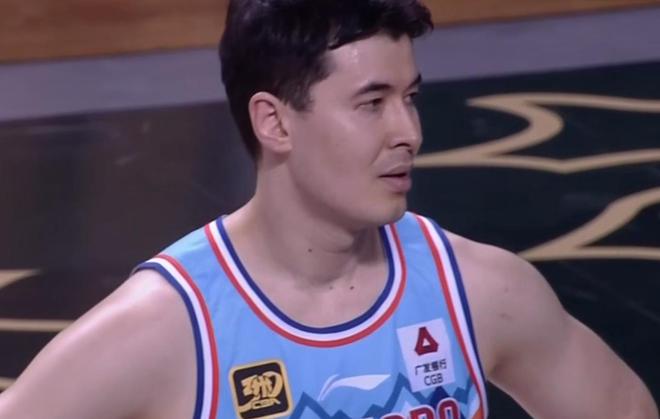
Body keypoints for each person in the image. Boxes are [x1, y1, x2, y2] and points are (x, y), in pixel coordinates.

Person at [0, 0, 657, 418]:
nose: (408, 132)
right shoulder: (164, 328)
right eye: (372, 103)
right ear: (274, 122)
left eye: (410, 97)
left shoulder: (481, 291)